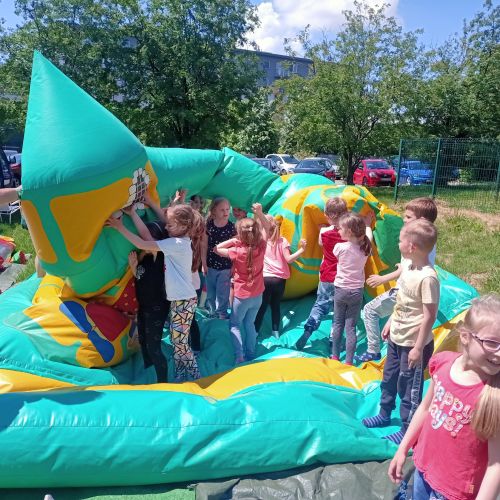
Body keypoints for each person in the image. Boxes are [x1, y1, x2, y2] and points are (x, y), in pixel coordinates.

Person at [388, 294, 500, 500]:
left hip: (453, 493)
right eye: (492, 343)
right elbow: (425, 408)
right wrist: (403, 449)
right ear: (465, 336)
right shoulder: (443, 364)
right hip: (423, 471)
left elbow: (496, 464)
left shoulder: (493, 396)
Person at [362, 219, 440, 444]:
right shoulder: (407, 266)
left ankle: (408, 429)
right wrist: (390, 321)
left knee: (409, 388)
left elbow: (429, 316)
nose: (398, 243)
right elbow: (402, 301)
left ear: (411, 246)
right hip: (397, 337)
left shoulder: (428, 278)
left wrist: (418, 348)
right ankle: (384, 413)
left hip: (413, 344)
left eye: (400, 240)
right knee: (389, 378)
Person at [106, 204, 201, 382]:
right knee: (177, 341)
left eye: (170, 225)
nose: (166, 227)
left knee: (180, 343)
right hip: (179, 300)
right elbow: (147, 237)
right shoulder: (178, 241)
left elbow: (143, 243)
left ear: (183, 226)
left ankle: (196, 376)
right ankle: (181, 374)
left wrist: (120, 227)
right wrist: (133, 214)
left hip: (184, 300)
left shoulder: (177, 244)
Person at [356, 197, 438, 363]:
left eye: (408, 217)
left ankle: (373, 349)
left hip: (404, 290)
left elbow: (406, 271)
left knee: (370, 311)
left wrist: (382, 278)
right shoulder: (425, 241)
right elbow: (406, 268)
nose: (404, 219)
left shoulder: (415, 245)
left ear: (422, 220)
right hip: (407, 289)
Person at [215, 203, 268, 363]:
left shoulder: (236, 251)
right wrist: (259, 213)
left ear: (240, 235)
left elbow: (217, 248)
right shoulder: (261, 246)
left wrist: (233, 240)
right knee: (249, 324)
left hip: (241, 297)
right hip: (257, 296)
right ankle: (250, 353)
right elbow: (267, 227)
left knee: (235, 324)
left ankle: (239, 356)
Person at [296, 197, 347, 350]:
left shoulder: (324, 232)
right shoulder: (349, 234)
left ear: (326, 214)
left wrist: (322, 229)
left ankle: (309, 328)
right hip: (343, 278)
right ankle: (334, 340)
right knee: (339, 311)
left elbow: (320, 243)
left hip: (326, 275)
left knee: (320, 305)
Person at [126, 214, 170, 383]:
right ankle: (150, 374)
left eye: (148, 239)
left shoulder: (160, 256)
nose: (144, 241)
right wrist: (134, 267)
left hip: (157, 308)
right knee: (143, 341)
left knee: (154, 347)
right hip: (144, 306)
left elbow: (148, 239)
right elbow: (140, 277)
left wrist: (131, 214)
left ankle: (163, 383)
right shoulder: (144, 258)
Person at [254, 214, 306, 337]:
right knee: (276, 305)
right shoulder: (282, 241)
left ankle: (255, 332)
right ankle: (275, 332)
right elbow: (289, 259)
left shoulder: (260, 242)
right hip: (279, 280)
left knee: (262, 306)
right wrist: (302, 250)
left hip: (265, 278)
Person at [330, 212, 371, 365]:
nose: (338, 230)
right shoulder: (366, 248)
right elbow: (369, 237)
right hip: (356, 292)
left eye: (340, 228)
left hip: (341, 290)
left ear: (349, 231)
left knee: (338, 323)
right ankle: (348, 361)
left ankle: (335, 356)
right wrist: (368, 225)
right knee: (351, 327)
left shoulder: (339, 247)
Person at [202, 197, 236, 319]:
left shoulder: (232, 227)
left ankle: (222, 313)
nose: (226, 212)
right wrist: (203, 263)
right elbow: (204, 245)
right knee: (210, 292)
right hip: (210, 265)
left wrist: (234, 266)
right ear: (214, 211)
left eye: (227, 209)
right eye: (222, 210)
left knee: (223, 292)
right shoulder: (209, 225)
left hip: (225, 266)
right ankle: (212, 312)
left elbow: (235, 249)